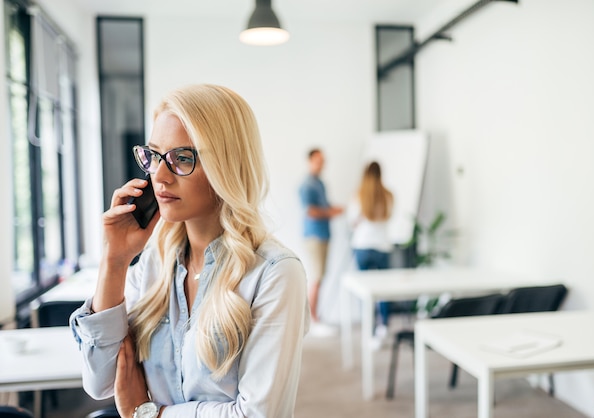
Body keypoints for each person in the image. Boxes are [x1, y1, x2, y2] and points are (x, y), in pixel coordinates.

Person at [69, 84, 310, 418]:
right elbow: (99, 383)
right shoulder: (156, 262)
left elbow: (256, 414)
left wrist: (150, 413)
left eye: (182, 158)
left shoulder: (275, 273)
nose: (160, 176)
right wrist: (115, 260)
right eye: (153, 156)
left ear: (225, 166)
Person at [347, 161, 394, 342]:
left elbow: (352, 221)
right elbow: (390, 216)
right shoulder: (388, 195)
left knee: (365, 290)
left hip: (363, 245)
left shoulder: (358, 195)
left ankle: (370, 327)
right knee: (384, 289)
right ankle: (384, 327)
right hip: (383, 245)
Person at [298, 148, 343, 334]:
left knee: (320, 277)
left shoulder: (321, 184)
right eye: (318, 160)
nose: (321, 164)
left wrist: (337, 209)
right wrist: (332, 212)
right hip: (314, 236)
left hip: (324, 235)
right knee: (316, 278)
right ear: (310, 161)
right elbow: (311, 211)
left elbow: (324, 207)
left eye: (323, 160)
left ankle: (316, 318)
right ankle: (313, 320)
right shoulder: (307, 185)